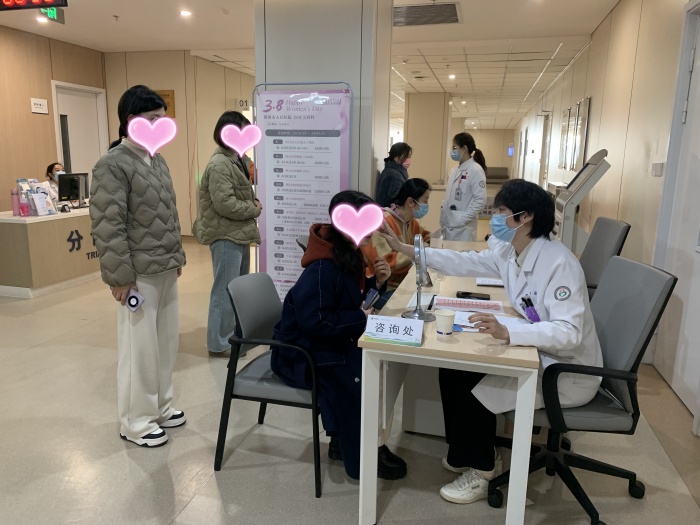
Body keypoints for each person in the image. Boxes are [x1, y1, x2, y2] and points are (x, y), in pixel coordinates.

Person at [380, 179, 602, 504]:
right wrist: (407, 250)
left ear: (525, 217)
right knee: (452, 367)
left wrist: (508, 332)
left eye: (501, 212)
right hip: (536, 348)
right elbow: (464, 261)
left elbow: (569, 333)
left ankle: (483, 470)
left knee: (474, 386)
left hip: (564, 370)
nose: (494, 218)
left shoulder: (559, 263)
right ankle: (464, 452)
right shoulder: (513, 252)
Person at [271, 190, 407, 481]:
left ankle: (349, 441)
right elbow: (316, 321)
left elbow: (350, 301)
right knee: (360, 376)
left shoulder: (345, 254)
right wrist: (360, 319)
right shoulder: (322, 268)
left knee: (374, 365)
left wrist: (377, 283)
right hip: (300, 354)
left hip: (322, 341)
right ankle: (361, 454)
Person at [90, 85, 187, 448]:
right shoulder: (112, 164)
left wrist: (177, 256)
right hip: (138, 273)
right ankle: (135, 421)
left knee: (165, 343)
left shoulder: (156, 159)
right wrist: (120, 278)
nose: (160, 125)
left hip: (165, 266)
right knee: (140, 349)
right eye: (153, 118)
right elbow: (108, 225)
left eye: (163, 118)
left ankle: (161, 406)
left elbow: (168, 213)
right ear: (132, 120)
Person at [193, 111, 262, 358]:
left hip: (238, 233)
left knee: (236, 289)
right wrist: (253, 208)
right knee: (224, 291)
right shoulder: (220, 164)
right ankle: (219, 343)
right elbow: (225, 204)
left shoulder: (236, 159)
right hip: (225, 236)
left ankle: (230, 336)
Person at [362, 178, 431, 310]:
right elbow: (388, 262)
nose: (427, 206)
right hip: (382, 286)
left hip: (401, 282)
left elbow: (427, 237)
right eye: (425, 201)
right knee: (419, 304)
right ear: (410, 202)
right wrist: (418, 252)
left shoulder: (410, 222)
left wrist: (422, 249)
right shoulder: (384, 222)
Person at [440, 132, 487, 241]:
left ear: (464, 148)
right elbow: (449, 197)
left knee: (461, 251)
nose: (452, 151)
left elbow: (480, 200)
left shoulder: (475, 170)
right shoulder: (454, 170)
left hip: (463, 229)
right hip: (449, 224)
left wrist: (462, 219)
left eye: (454, 148)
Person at [375, 142, 412, 208]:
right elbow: (395, 201)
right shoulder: (395, 176)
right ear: (396, 157)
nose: (408, 159)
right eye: (406, 156)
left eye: (409, 157)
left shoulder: (392, 171)